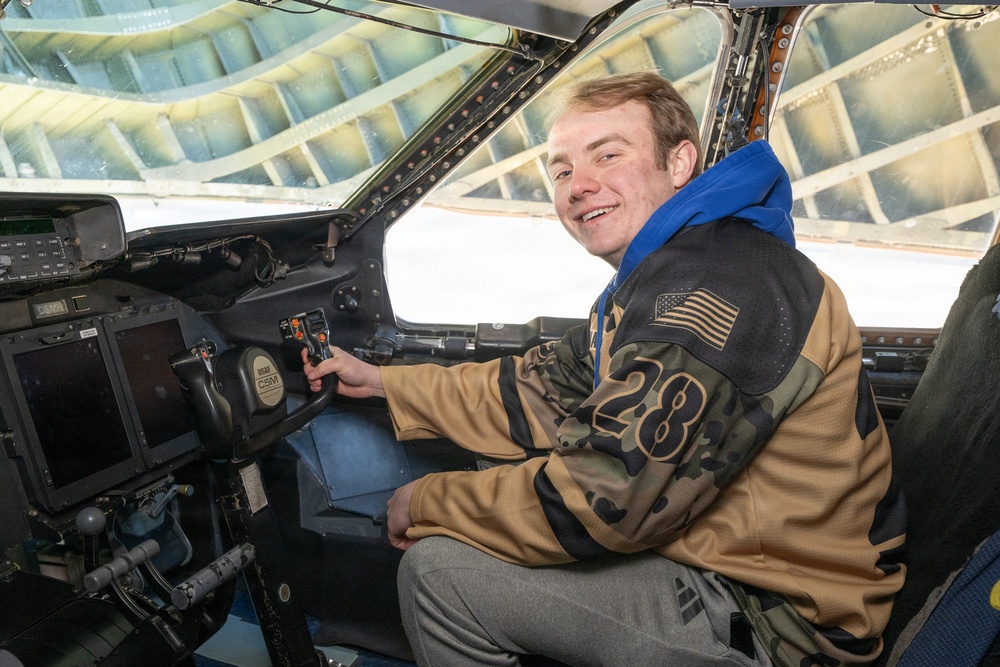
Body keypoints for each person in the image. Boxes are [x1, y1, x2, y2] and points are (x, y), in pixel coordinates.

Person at [304, 72, 905, 667]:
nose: (579, 187)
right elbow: (539, 389)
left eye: (608, 155)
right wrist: (382, 381)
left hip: (781, 621)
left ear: (679, 163)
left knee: (440, 576)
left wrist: (427, 503)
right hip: (728, 557)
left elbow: (603, 499)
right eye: (562, 171)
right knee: (491, 477)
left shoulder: (717, 291)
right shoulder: (674, 270)